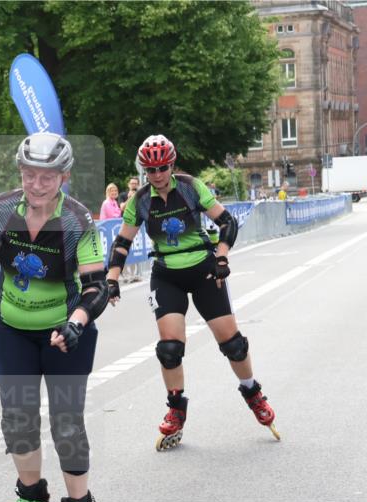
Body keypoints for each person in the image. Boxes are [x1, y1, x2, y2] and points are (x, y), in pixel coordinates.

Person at [0, 132, 108, 502]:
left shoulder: (78, 221)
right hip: (11, 327)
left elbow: (97, 287)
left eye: (47, 177)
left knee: (66, 422)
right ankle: (31, 499)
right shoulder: (3, 209)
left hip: (64, 329)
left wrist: (77, 323)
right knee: (17, 416)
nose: (37, 184)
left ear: (63, 177)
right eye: (29, 174)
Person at [105, 134, 279, 452]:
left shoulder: (190, 187)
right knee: (170, 348)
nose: (157, 175)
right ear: (144, 170)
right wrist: (112, 278)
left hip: (204, 270)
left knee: (233, 345)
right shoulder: (139, 200)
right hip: (166, 275)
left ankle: (252, 392)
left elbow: (227, 223)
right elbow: (122, 243)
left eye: (162, 167)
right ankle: (176, 409)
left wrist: (222, 256)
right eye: (150, 169)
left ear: (172, 165)